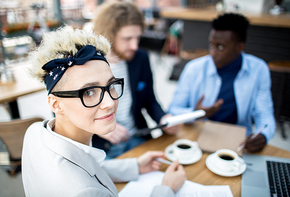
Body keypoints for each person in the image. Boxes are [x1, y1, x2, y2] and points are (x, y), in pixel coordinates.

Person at [22, 26, 186, 196]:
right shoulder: (83, 192)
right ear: (56, 104)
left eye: (111, 85)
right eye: (88, 92)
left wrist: (134, 166)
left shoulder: (34, 132)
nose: (110, 103)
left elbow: (85, 164)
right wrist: (167, 188)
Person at [169, 13, 276, 153]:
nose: (212, 53)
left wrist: (263, 135)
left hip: (239, 139)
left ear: (239, 47)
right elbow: (173, 109)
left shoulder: (259, 70)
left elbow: (264, 114)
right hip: (200, 135)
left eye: (220, 47)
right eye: (211, 45)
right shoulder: (194, 69)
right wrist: (196, 113)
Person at [92, 1, 180, 159]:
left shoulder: (140, 58)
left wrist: (164, 118)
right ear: (108, 35)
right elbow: (65, 114)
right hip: (101, 147)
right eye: (127, 38)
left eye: (138, 38)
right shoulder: (87, 63)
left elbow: (150, 100)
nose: (134, 45)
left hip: (137, 137)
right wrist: (97, 128)